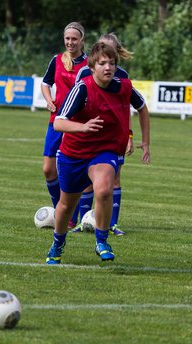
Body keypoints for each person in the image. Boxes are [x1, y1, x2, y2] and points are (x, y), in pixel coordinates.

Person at [45, 42, 150, 265]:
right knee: (65, 206)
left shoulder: (124, 86)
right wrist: (82, 127)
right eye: (102, 63)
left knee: (103, 190)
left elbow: (142, 107)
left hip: (104, 151)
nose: (107, 67)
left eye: (111, 63)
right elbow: (60, 124)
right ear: (92, 67)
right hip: (74, 153)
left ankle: (101, 241)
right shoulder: (82, 88)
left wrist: (145, 141)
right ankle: (58, 243)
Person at [71, 33, 134, 235]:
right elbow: (75, 107)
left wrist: (129, 136)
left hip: (113, 138)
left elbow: (127, 109)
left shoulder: (122, 77)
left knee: (113, 179)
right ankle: (84, 221)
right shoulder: (84, 74)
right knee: (88, 182)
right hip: (88, 137)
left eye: (110, 52)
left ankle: (111, 224)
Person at [41, 22, 87, 228]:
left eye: (74, 39)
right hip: (56, 122)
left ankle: (76, 218)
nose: (70, 42)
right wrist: (48, 99)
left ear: (82, 40)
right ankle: (62, 210)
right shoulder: (57, 60)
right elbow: (45, 83)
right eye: (67, 38)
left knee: (78, 173)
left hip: (77, 124)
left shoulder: (89, 64)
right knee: (48, 170)